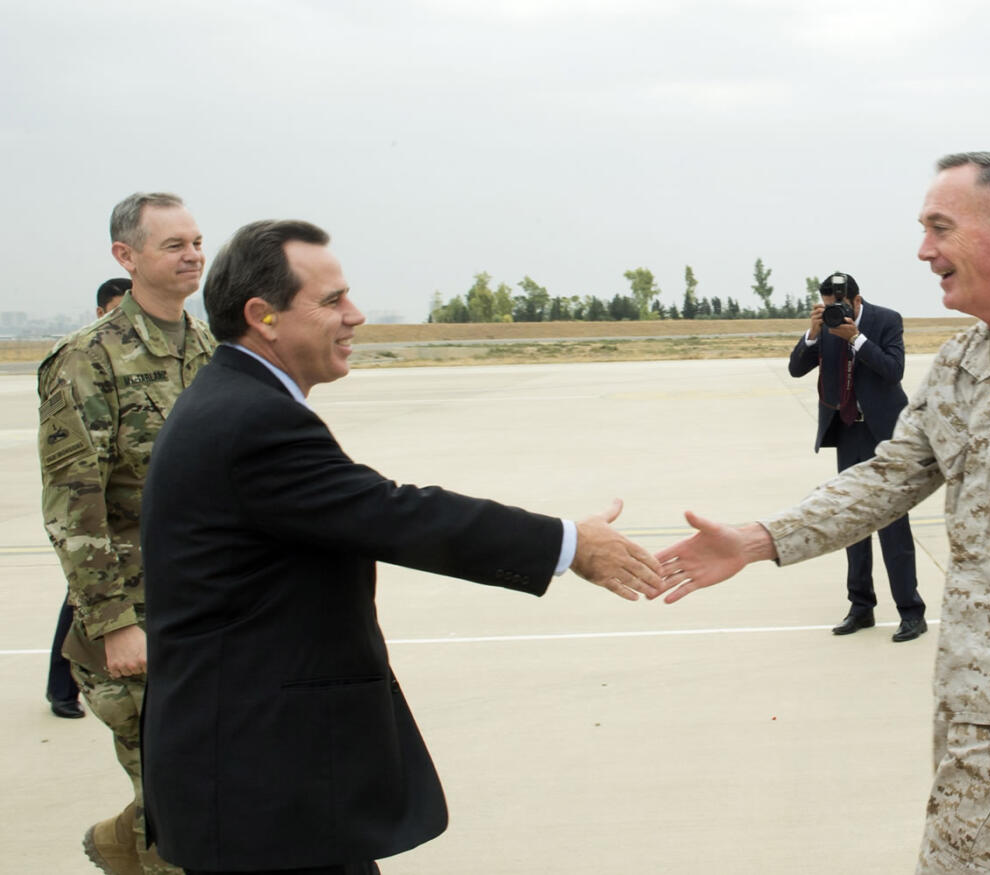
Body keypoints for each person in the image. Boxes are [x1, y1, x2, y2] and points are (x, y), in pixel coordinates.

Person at [655, 152, 990, 873]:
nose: (924, 250)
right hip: (970, 685)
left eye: (939, 228)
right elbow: (890, 476)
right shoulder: (960, 364)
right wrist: (760, 539)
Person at [139, 219, 664, 875]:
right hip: (261, 791)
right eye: (331, 301)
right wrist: (568, 543)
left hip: (262, 784)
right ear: (262, 315)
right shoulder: (252, 419)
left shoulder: (233, 401)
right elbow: (392, 513)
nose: (355, 315)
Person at [38, 194, 215, 875]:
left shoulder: (207, 350)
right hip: (137, 619)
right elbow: (72, 504)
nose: (193, 253)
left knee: (211, 787)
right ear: (126, 257)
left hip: (204, 609)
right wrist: (112, 623)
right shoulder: (87, 359)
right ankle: (139, 844)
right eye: (174, 244)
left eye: (197, 241)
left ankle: (124, 839)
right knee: (184, 804)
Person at [788, 271, 925, 641]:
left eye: (842, 306)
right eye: (830, 307)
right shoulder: (826, 327)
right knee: (852, 521)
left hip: (884, 435)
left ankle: (911, 611)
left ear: (857, 301)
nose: (836, 312)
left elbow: (893, 370)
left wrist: (858, 339)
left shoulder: (886, 320)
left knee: (892, 522)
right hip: (848, 431)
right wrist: (814, 334)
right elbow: (796, 368)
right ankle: (861, 607)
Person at [45, 277, 133, 721]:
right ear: (102, 312)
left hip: (139, 542)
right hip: (98, 532)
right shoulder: (81, 359)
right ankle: (61, 689)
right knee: (80, 605)